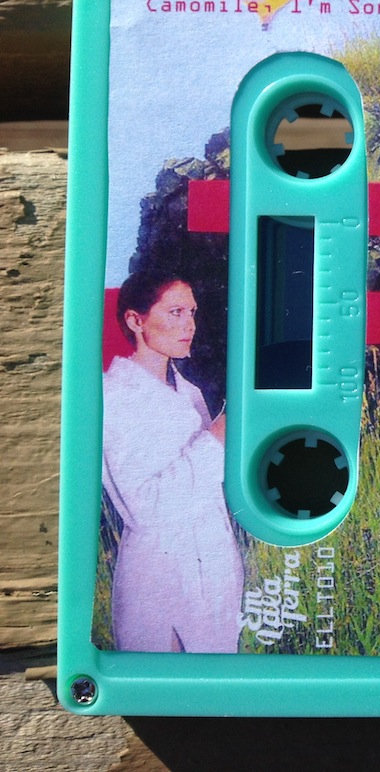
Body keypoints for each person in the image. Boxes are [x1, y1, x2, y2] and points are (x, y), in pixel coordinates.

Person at [102, 269, 243, 653]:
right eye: (176, 312)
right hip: (159, 581)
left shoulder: (190, 392)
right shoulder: (113, 397)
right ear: (136, 321)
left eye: (192, 312)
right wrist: (216, 439)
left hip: (214, 573)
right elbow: (144, 507)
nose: (189, 325)